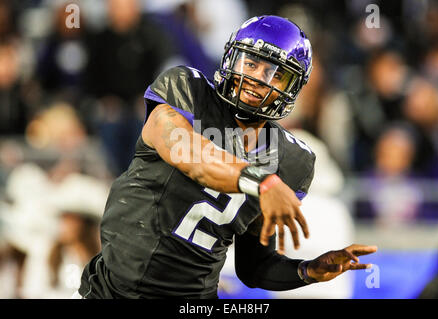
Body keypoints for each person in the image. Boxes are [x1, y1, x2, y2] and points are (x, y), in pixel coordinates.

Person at [77, 15, 377, 299]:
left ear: (292, 87)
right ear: (232, 58)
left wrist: (307, 270)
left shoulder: (292, 160)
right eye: (251, 63)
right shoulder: (186, 90)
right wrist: (261, 182)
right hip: (111, 290)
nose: (259, 77)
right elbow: (187, 152)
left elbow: (255, 266)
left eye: (275, 73)